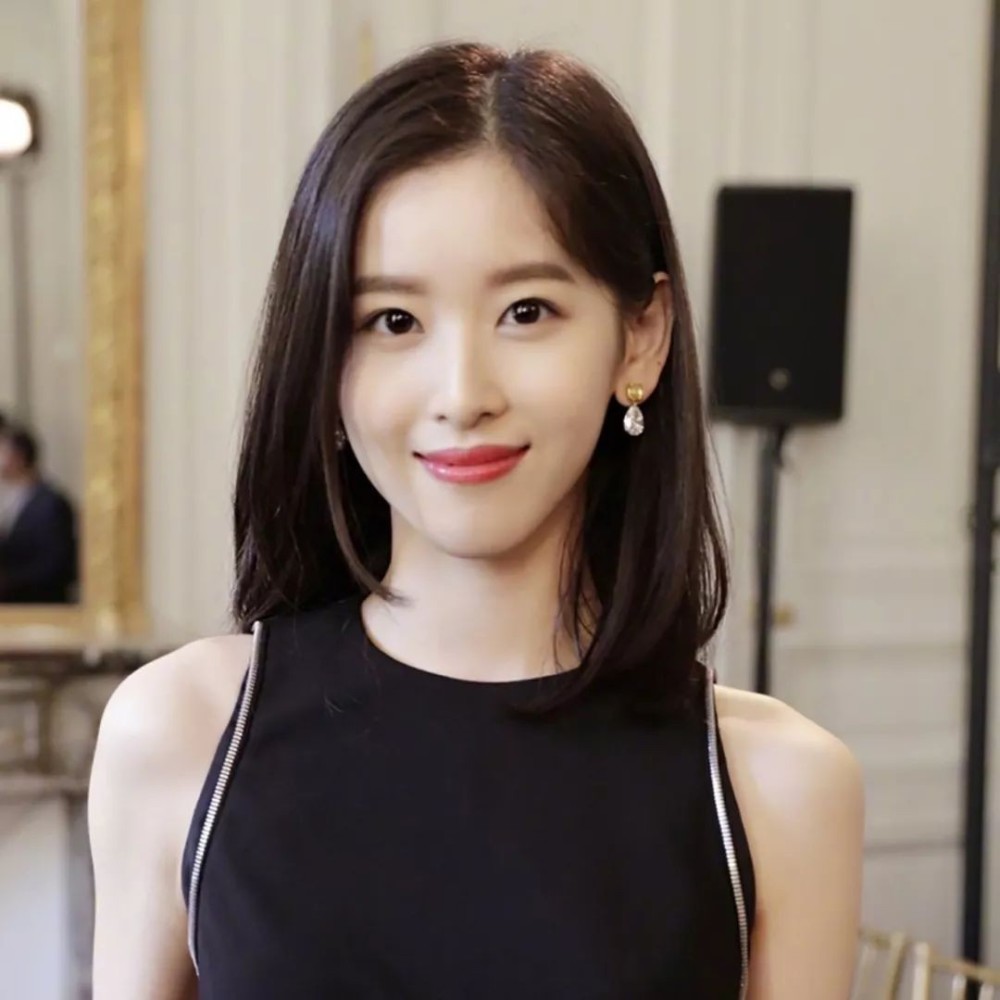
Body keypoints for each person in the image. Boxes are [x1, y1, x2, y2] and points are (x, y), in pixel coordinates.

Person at [88, 42, 864, 999]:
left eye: (527, 311)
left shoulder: (780, 787)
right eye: (394, 321)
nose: (462, 395)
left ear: (641, 338)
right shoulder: (180, 733)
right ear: (326, 362)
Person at [0, 423, 78, 603]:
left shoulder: (51, 504)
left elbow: (57, 565)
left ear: (18, 457)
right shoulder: (11, 499)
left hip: (40, 605)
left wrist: (8, 582)